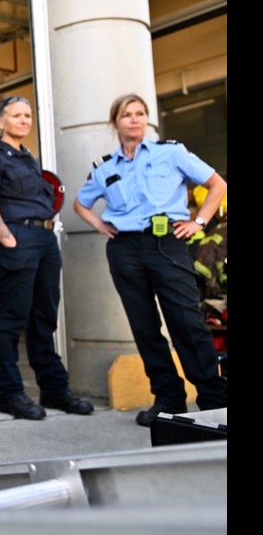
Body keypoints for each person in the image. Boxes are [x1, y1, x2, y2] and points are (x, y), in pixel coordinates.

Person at [73, 92, 227, 426]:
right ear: (116, 122)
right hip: (125, 249)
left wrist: (198, 221)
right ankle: (169, 398)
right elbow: (80, 204)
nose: (135, 119)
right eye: (128, 114)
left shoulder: (170, 153)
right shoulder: (105, 167)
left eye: (141, 113)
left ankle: (214, 398)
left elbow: (217, 184)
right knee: (144, 327)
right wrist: (100, 224)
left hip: (167, 243)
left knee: (186, 321)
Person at [0, 95, 93, 421]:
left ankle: (54, 389)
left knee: (44, 318)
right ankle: (8, 393)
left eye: (27, 115)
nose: (24, 120)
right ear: (0, 120)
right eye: (16, 115)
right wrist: (8, 239)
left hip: (43, 240)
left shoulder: (30, 159)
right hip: (17, 240)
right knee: (10, 319)